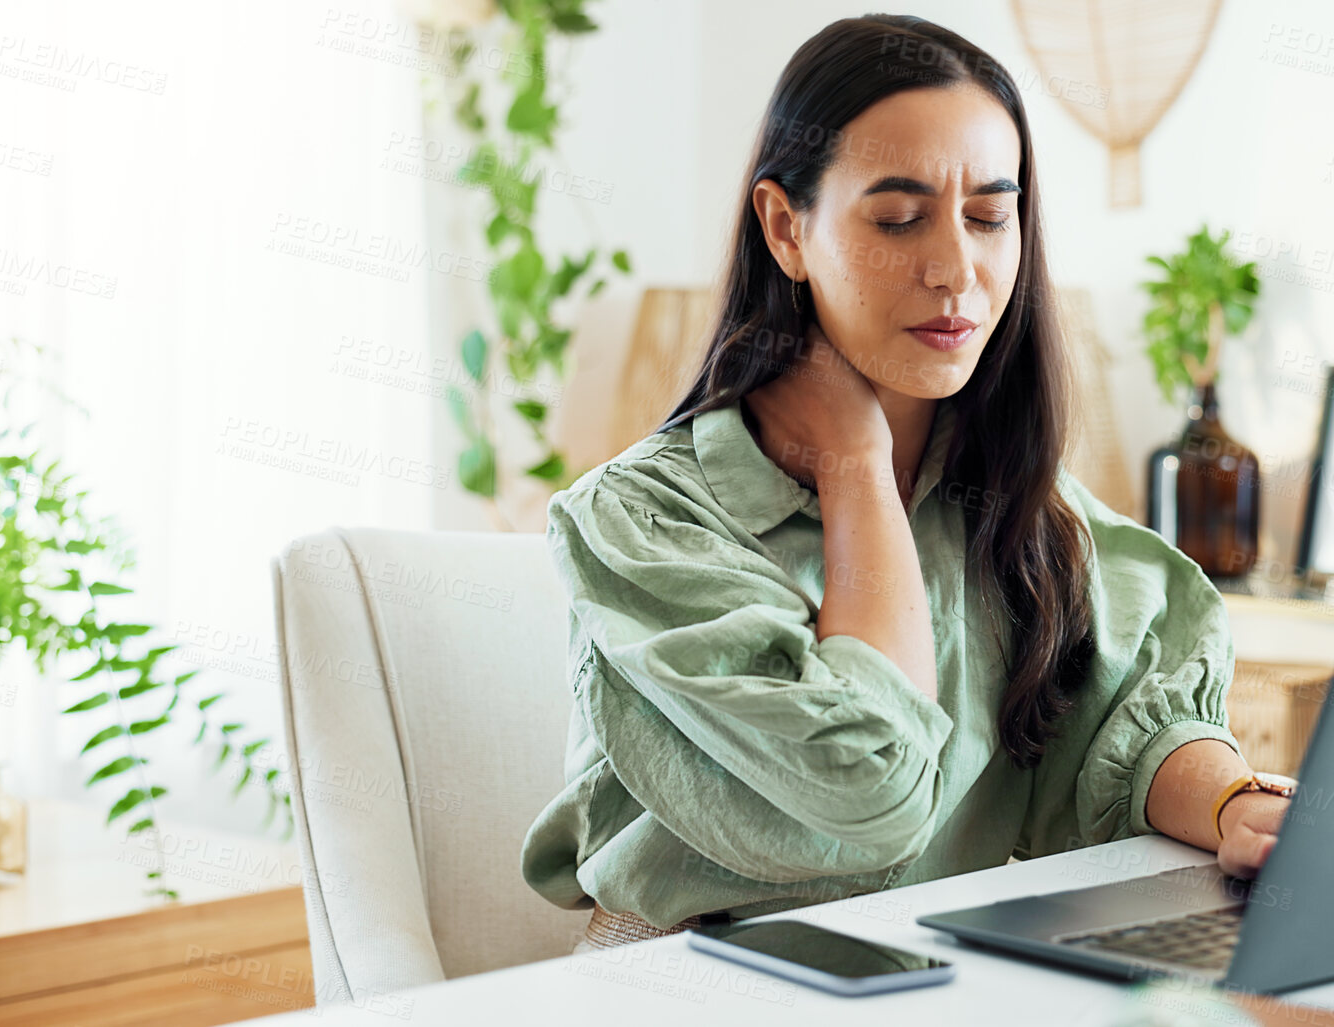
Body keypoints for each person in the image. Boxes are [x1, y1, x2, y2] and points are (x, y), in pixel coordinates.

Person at [521, 13, 1289, 956]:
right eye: (897, 217)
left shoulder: (1015, 506)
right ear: (784, 227)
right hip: (690, 978)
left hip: (931, 966)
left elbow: (1126, 721)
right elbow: (864, 788)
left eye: (988, 216)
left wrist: (1232, 800)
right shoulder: (641, 520)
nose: (955, 270)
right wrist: (852, 469)